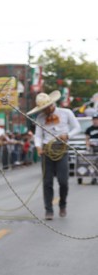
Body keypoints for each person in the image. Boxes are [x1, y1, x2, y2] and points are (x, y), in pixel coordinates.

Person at [29, 91, 81, 220]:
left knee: (63, 181)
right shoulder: (40, 118)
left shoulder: (66, 113)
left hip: (61, 150)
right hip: (47, 151)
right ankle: (49, 210)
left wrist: (67, 135)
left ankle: (62, 204)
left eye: (47, 108)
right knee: (47, 182)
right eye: (43, 109)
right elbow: (38, 135)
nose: (46, 111)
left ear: (52, 104)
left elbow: (77, 128)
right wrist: (38, 147)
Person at [85, 113, 98, 184]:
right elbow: (87, 139)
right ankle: (94, 177)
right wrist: (87, 146)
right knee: (93, 163)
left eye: (96, 119)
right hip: (92, 148)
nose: (95, 121)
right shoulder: (89, 129)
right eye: (94, 120)